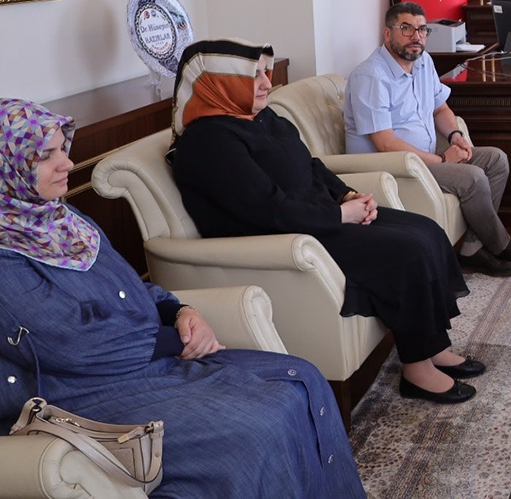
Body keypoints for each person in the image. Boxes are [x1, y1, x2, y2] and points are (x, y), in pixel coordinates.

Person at [0, 98, 365, 496]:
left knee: (303, 378)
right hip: (84, 392)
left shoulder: (62, 220)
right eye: (45, 156)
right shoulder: (6, 257)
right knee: (261, 425)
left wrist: (179, 310)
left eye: (62, 149)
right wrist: (178, 340)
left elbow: (131, 286)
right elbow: (76, 346)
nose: (67, 163)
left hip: (149, 363)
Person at [169, 39, 482, 405]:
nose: (267, 83)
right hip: (287, 235)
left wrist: (346, 195)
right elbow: (266, 210)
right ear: (221, 83)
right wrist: (340, 215)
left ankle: (434, 346)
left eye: (265, 73)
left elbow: (311, 166)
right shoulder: (207, 141)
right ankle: (417, 369)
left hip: (318, 215)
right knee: (408, 251)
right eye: (254, 76)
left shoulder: (260, 117)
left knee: (425, 230)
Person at [345, 2, 511, 277]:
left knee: (496, 160)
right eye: (406, 28)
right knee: (473, 178)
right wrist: (441, 159)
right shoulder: (370, 76)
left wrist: (455, 136)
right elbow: (385, 144)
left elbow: (440, 109)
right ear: (387, 33)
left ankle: (472, 250)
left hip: (424, 156)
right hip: (393, 167)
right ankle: (502, 246)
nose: (416, 36)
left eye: (422, 30)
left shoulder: (423, 62)